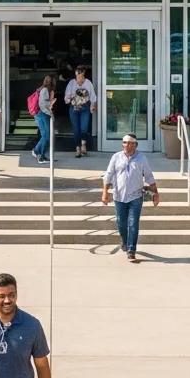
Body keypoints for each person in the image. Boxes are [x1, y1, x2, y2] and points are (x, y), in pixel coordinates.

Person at [101, 133, 159, 262]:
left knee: (133, 223)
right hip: (119, 196)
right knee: (121, 223)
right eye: (125, 142)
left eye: (130, 143)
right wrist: (105, 192)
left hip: (136, 196)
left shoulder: (142, 158)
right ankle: (125, 242)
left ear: (135, 145)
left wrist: (156, 193)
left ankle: (131, 251)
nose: (126, 145)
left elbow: (149, 176)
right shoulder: (116, 157)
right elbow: (108, 175)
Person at [64, 65, 97, 157]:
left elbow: (93, 97)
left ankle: (83, 145)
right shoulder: (71, 83)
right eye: (77, 76)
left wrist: (92, 106)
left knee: (84, 128)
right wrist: (70, 97)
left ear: (84, 75)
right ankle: (77, 148)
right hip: (73, 108)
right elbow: (66, 98)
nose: (79, 78)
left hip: (84, 108)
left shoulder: (88, 83)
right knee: (76, 129)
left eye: (81, 76)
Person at [31, 75, 54, 164]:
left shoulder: (42, 89)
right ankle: (38, 152)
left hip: (40, 114)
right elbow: (43, 105)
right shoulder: (45, 90)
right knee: (46, 135)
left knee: (45, 135)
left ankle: (41, 154)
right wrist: (50, 113)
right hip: (42, 114)